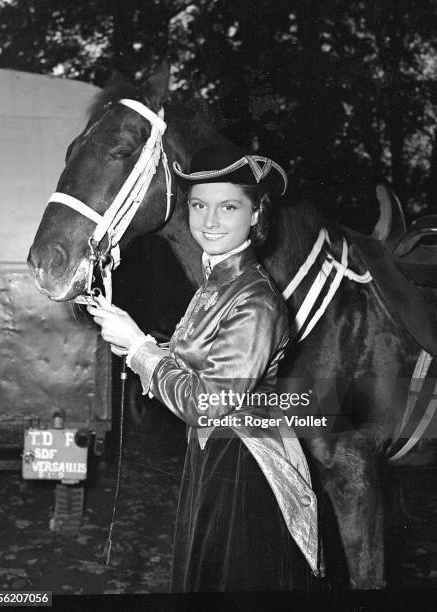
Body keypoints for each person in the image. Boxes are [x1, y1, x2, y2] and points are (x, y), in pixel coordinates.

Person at [88, 144, 319, 592]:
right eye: (198, 205)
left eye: (228, 206)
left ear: (256, 213)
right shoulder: (218, 280)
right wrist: (133, 336)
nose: (209, 220)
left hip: (244, 467)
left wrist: (139, 348)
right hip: (214, 456)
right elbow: (191, 361)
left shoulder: (255, 300)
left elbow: (207, 402)